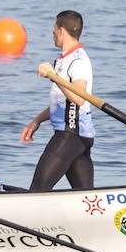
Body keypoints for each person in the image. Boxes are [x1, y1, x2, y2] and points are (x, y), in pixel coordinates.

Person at [23, 10, 96, 191]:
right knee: (85, 198)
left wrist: (54, 76)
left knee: (37, 191)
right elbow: (62, 101)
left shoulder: (78, 61)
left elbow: (79, 98)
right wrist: (36, 121)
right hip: (76, 137)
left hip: (70, 135)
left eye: (54, 29)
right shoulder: (63, 60)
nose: (52, 33)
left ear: (61, 31)